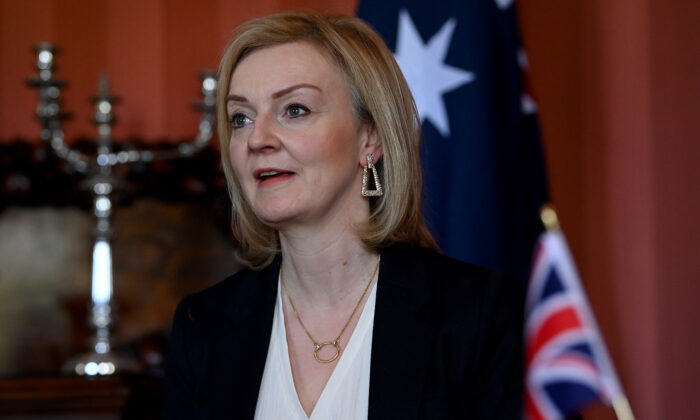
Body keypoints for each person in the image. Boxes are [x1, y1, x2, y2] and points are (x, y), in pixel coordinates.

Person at [164, 12, 523, 419]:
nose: (257, 139)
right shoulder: (203, 326)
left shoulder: (478, 314)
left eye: (295, 110)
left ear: (370, 138)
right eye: (240, 118)